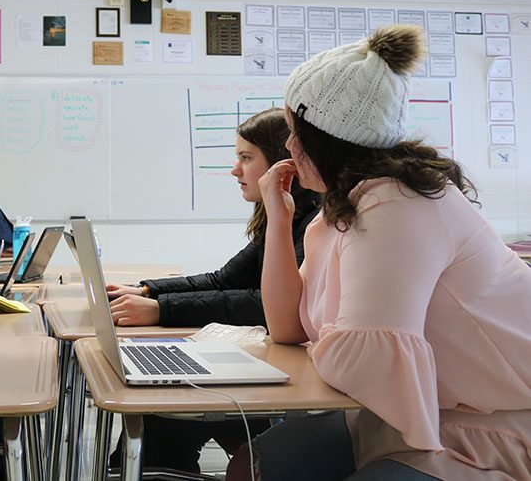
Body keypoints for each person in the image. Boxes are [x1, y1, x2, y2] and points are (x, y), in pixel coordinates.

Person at [228, 25, 531, 480]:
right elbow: (288, 327)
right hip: (405, 413)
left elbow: (365, 362)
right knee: (253, 466)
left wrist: (329, 341)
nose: (288, 148)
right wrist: (278, 216)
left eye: (295, 132)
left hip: (487, 425)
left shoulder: (396, 203)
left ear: (327, 140)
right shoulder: (344, 207)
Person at [106, 107, 320, 474]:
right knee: (162, 417)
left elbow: (263, 306)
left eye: (246, 158)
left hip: (297, 379)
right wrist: (146, 291)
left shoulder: (309, 222)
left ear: (281, 164)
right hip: (273, 371)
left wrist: (161, 310)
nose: (236, 170)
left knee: (164, 419)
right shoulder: (279, 217)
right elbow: (225, 280)